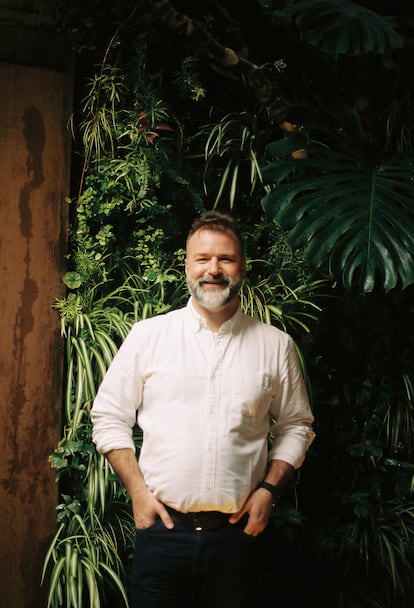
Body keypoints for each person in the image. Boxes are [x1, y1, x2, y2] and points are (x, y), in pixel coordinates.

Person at [91, 210, 315, 607]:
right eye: (203, 258)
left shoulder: (274, 345)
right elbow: (109, 416)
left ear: (242, 267)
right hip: (160, 531)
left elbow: (297, 425)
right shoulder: (149, 336)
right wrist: (138, 493)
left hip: (237, 536)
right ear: (187, 266)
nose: (214, 269)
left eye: (226, 259)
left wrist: (267, 490)